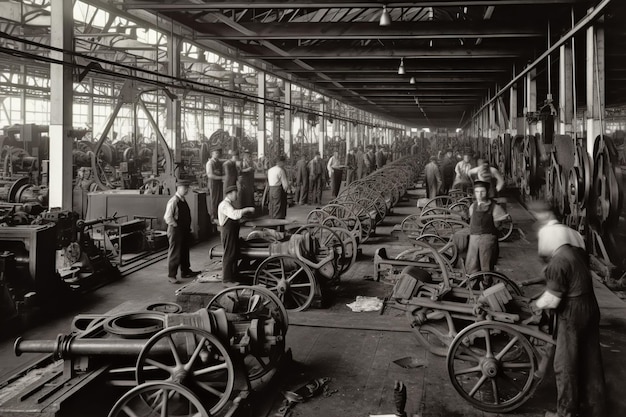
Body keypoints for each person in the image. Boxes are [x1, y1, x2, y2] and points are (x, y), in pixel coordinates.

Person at [530, 205, 606, 417]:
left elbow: (553, 299)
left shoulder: (557, 262)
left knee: (565, 365)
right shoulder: (573, 253)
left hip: (573, 313)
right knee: (591, 360)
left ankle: (566, 412)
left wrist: (535, 306)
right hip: (590, 306)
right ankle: (595, 407)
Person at [465, 181, 507, 274]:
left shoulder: (495, 207)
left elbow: (498, 225)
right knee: (472, 265)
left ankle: (486, 284)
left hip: (488, 240)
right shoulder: (472, 207)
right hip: (474, 239)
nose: (479, 195)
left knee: (486, 266)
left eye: (482, 192)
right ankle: (473, 285)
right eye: (477, 192)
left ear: (487, 192)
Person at [164, 179, 200, 284]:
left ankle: (186, 271)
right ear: (178, 188)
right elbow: (168, 217)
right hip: (175, 231)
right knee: (175, 253)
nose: (186, 190)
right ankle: (171, 275)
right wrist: (177, 226)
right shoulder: (174, 201)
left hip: (183, 230)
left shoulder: (183, 200)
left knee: (184, 251)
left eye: (187, 188)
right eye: (185, 188)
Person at [218, 185, 255, 283]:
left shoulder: (230, 204)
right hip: (228, 233)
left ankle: (234, 276)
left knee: (234, 254)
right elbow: (234, 215)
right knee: (229, 255)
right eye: (235, 193)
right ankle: (226, 280)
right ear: (230, 194)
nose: (237, 195)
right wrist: (247, 209)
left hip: (232, 233)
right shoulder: (224, 205)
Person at [206, 148, 223, 223]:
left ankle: (219, 216)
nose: (217, 154)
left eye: (218, 153)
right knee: (214, 201)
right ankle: (213, 218)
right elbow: (210, 175)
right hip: (213, 183)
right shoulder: (210, 163)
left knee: (220, 200)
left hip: (219, 183)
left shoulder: (218, 162)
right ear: (212, 154)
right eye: (216, 153)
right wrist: (222, 177)